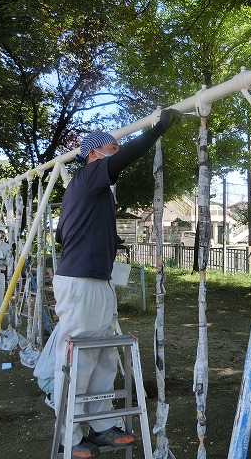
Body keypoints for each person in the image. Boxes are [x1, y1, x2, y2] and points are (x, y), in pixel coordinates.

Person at [53, 109, 182, 458]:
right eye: (111, 149)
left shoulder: (91, 192)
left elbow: (63, 233)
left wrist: (106, 242)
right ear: (93, 154)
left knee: (104, 353)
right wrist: (157, 129)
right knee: (80, 356)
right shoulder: (87, 175)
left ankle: (101, 424)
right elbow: (127, 157)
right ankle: (68, 435)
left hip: (96, 278)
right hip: (81, 281)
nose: (116, 153)